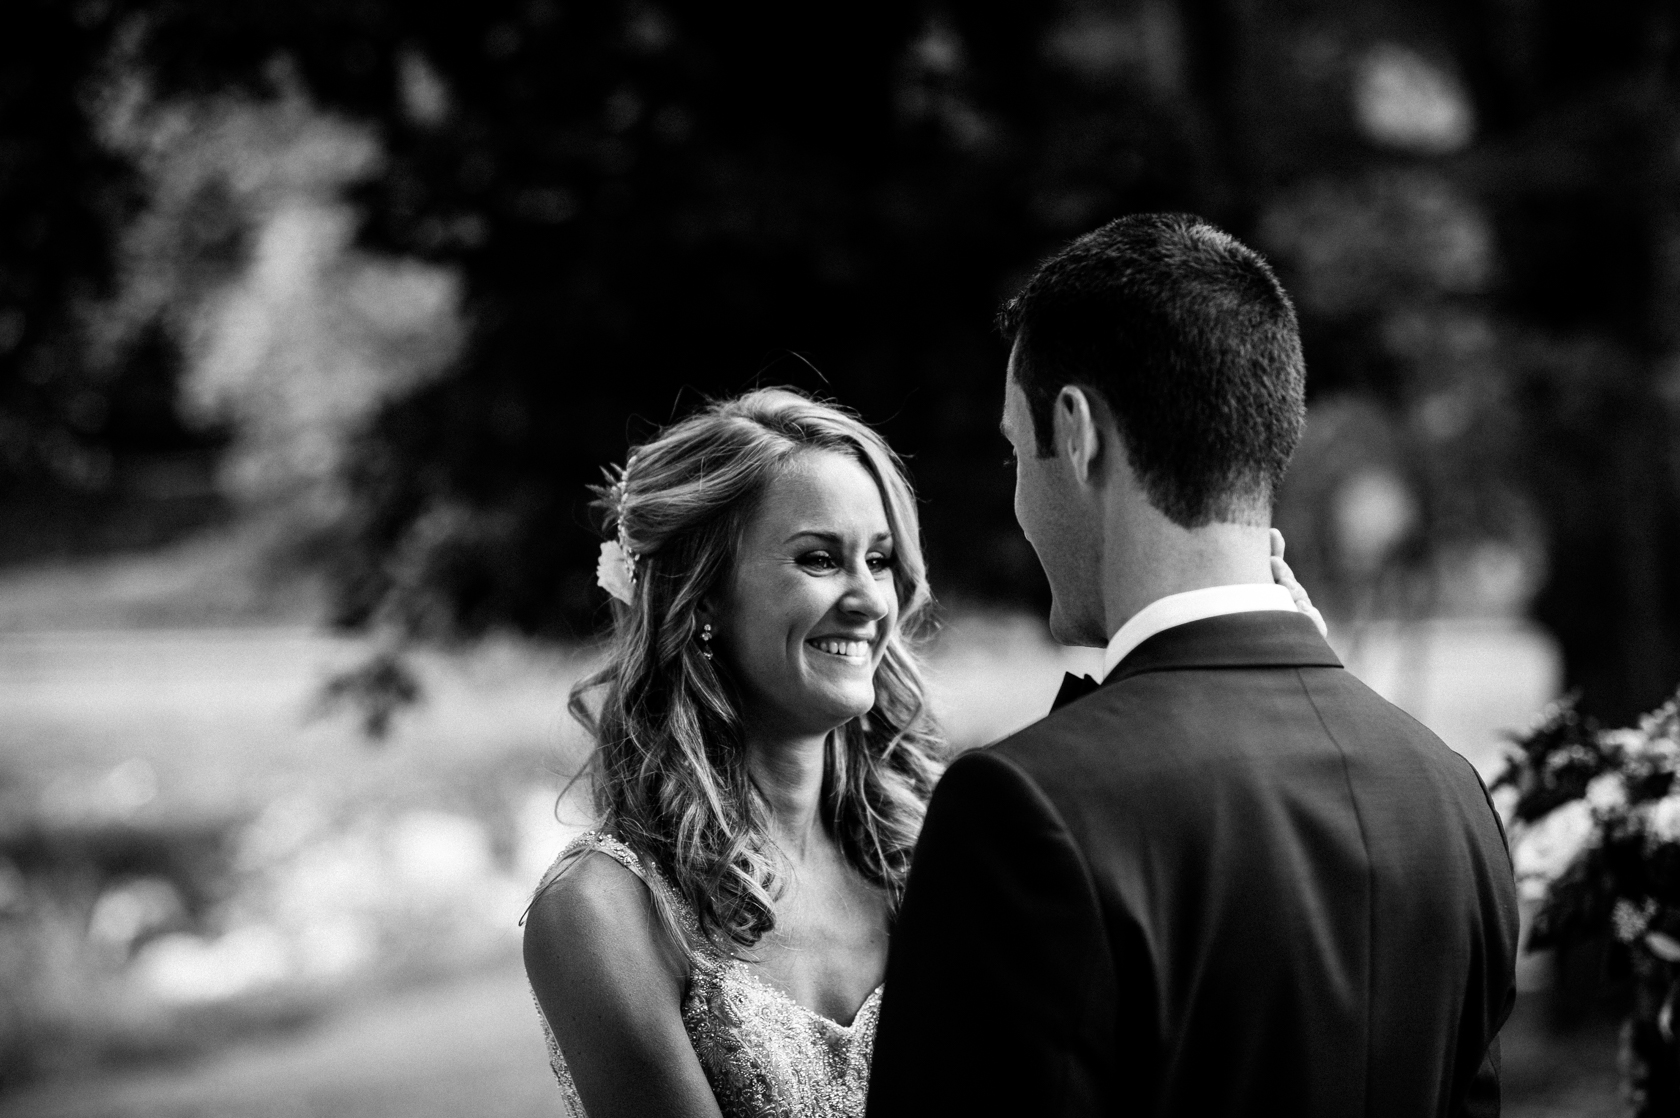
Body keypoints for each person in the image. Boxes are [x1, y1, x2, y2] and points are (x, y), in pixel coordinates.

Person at [865, 214, 1520, 1118]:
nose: (1018, 498)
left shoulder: (1023, 811)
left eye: (1018, 453)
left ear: (1079, 432)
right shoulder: (1450, 796)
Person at [524, 387, 1326, 1118]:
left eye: (879, 559)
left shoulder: (940, 848)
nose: (871, 599)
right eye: (818, 558)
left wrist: (1258, 696)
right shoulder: (604, 912)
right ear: (701, 598)